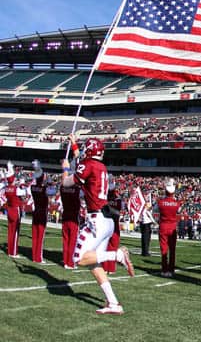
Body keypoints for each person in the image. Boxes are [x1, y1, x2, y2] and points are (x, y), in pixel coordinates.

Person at [61, 135, 134, 315]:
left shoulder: (89, 165)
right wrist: (75, 145)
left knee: (78, 258)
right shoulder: (100, 166)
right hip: (106, 219)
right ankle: (114, 303)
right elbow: (83, 162)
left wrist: (64, 169)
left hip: (97, 220)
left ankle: (117, 255)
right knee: (93, 263)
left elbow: (66, 182)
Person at [158, 178, 181, 277]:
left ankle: (164, 269)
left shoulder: (160, 202)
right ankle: (171, 269)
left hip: (163, 226)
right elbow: (178, 212)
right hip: (172, 227)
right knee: (172, 249)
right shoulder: (177, 203)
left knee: (163, 249)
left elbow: (155, 210)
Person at [3, 161, 26, 258]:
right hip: (16, 210)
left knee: (10, 231)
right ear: (12, 179)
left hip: (9, 209)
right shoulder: (16, 189)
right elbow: (24, 194)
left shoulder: (7, 187)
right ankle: (14, 252)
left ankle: (9, 251)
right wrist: (22, 183)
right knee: (16, 232)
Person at [30, 160, 49, 263]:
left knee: (34, 235)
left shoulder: (33, 187)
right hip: (42, 212)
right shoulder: (44, 189)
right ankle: (38, 258)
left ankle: (34, 256)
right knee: (40, 236)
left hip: (36, 211)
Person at [102, 176, 121, 274]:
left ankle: (105, 268)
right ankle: (111, 268)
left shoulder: (103, 196)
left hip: (106, 223)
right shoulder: (118, 198)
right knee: (113, 246)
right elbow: (118, 212)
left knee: (105, 246)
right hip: (114, 224)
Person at [61, 180, 81, 269]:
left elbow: (63, 184)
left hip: (65, 216)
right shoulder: (77, 190)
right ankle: (70, 263)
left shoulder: (63, 189)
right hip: (73, 218)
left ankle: (65, 261)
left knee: (65, 241)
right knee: (73, 241)